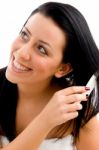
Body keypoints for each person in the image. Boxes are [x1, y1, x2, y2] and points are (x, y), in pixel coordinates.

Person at [0, 1, 99, 150]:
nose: (21, 53)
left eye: (41, 49)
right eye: (24, 35)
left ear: (63, 69)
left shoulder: (75, 109)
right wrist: (45, 120)